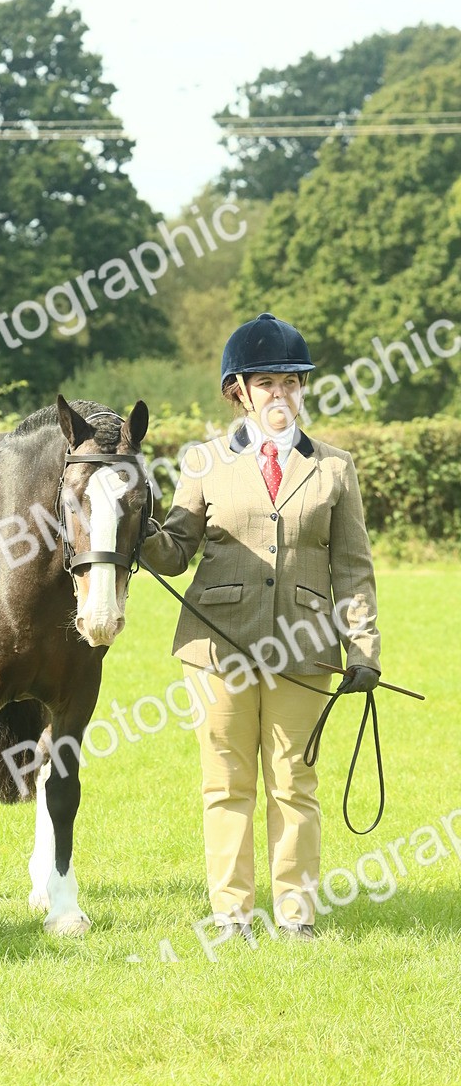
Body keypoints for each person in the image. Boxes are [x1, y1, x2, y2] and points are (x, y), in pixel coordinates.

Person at [141, 312, 381, 942]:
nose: (281, 393)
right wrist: (138, 525)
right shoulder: (204, 462)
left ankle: (296, 915)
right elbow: (175, 550)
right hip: (216, 646)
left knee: (294, 781)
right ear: (239, 391)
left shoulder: (335, 468)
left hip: (305, 646)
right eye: (267, 382)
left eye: (291, 382)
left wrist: (363, 646)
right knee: (226, 783)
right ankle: (231, 915)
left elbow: (353, 567)